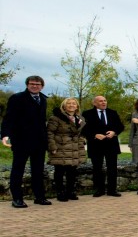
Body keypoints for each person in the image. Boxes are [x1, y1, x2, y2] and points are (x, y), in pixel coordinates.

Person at [1, 75, 52, 207]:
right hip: (21, 140)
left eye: (38, 84)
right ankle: (17, 199)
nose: (35, 86)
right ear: (27, 84)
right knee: (18, 170)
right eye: (32, 84)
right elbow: (8, 118)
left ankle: (39, 197)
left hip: (39, 142)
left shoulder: (43, 99)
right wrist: (5, 135)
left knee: (38, 170)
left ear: (42, 86)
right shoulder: (17, 98)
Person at [82, 95, 125, 197]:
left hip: (111, 144)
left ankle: (112, 190)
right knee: (97, 168)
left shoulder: (112, 112)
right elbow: (84, 129)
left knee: (112, 168)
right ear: (94, 103)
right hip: (95, 145)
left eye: (105, 101)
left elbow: (120, 126)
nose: (103, 103)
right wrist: (94, 135)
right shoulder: (87, 114)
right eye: (100, 101)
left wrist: (114, 132)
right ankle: (99, 190)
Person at [47, 97, 86, 201]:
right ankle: (60, 192)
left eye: (74, 103)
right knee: (59, 171)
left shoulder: (80, 118)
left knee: (72, 172)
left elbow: (81, 133)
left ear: (77, 106)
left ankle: (70, 191)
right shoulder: (56, 118)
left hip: (74, 148)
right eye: (69, 104)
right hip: (61, 147)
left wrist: (82, 141)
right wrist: (52, 146)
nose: (71, 105)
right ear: (64, 106)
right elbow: (49, 133)